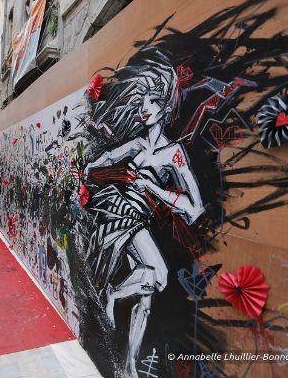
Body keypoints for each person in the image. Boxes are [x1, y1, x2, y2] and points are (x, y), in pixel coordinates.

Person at [83, 48, 204, 377]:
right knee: (160, 276)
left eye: (151, 102)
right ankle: (113, 294)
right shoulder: (137, 144)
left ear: (164, 107)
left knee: (147, 297)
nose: (143, 108)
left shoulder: (173, 154)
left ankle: (129, 367)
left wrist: (154, 189)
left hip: (142, 221)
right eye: (143, 102)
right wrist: (89, 169)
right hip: (123, 215)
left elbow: (194, 208)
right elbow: (106, 160)